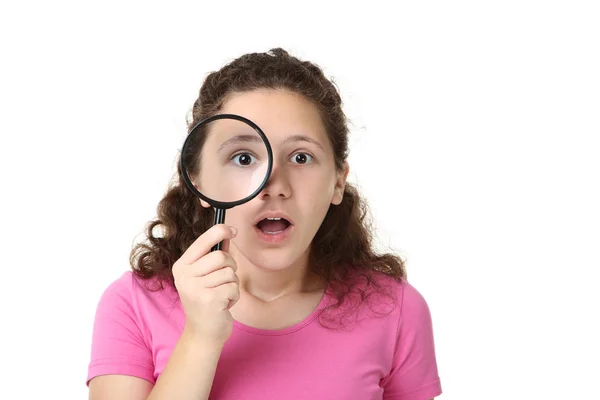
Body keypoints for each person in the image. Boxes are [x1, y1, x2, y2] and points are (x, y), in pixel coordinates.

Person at [86, 48, 442, 400]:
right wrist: (201, 337)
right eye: (243, 158)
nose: (275, 186)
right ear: (199, 182)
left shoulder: (396, 310)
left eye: (301, 157)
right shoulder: (132, 304)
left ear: (337, 182)